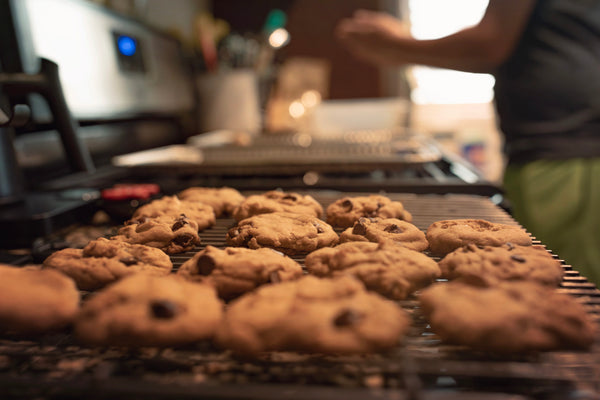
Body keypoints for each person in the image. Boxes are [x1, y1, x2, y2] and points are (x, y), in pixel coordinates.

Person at [335, 0, 600, 285]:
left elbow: (490, 43)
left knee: (569, 292)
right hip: (557, 147)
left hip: (568, 151)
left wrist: (397, 44)